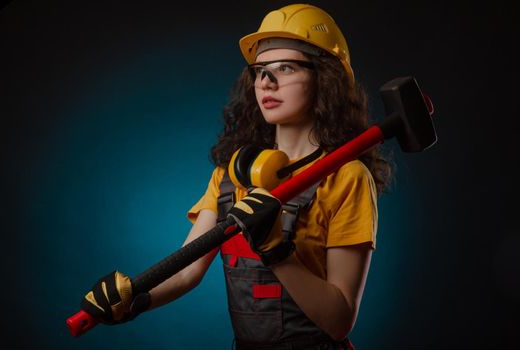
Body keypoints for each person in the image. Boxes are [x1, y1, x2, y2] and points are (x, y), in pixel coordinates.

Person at [80, 4, 391, 349]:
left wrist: (276, 250)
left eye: (285, 68)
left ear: (325, 78)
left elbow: (338, 321)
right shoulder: (231, 175)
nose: (266, 82)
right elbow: (187, 271)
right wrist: (135, 300)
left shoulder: (347, 178)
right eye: (259, 71)